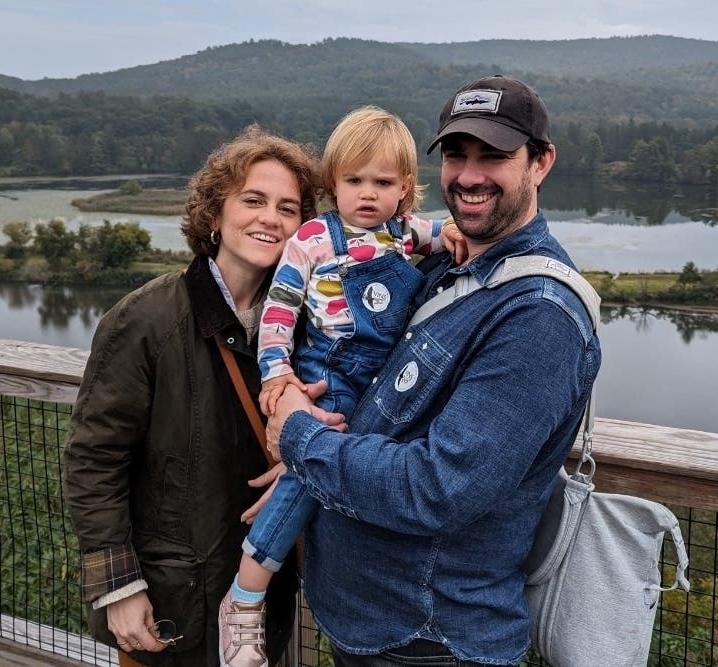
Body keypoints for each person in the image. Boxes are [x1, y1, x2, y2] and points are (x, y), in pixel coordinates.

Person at [265, 75, 603, 666]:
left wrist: (298, 438)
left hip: (429, 640)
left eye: (493, 156)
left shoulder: (538, 317)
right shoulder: (449, 264)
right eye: (455, 154)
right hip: (369, 623)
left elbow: (437, 489)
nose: (468, 176)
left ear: (540, 163)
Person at [63, 126, 331, 667]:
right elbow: (94, 459)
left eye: (287, 208)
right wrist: (118, 587)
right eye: (252, 200)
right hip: (172, 608)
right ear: (214, 213)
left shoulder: (314, 324)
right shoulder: (146, 319)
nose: (270, 218)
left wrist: (306, 453)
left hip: (263, 609)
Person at [218, 105, 464, 667]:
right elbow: (280, 310)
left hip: (381, 382)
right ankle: (245, 596)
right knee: (307, 479)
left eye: (383, 182)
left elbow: (445, 233)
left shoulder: (407, 234)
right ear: (333, 184)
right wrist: (277, 373)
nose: (368, 193)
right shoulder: (312, 239)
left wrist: (452, 231)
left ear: (405, 188)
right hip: (327, 374)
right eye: (354, 181)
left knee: (350, 475)